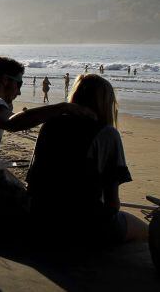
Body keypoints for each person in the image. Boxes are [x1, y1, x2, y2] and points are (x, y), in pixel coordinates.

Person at [0, 57, 94, 219]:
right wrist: (64, 107)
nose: (18, 92)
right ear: (5, 81)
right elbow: (12, 123)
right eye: (19, 84)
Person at [26, 74, 148, 246]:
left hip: (41, 218)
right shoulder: (107, 134)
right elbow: (113, 204)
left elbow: (33, 181)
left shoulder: (50, 125)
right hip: (84, 226)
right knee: (145, 231)